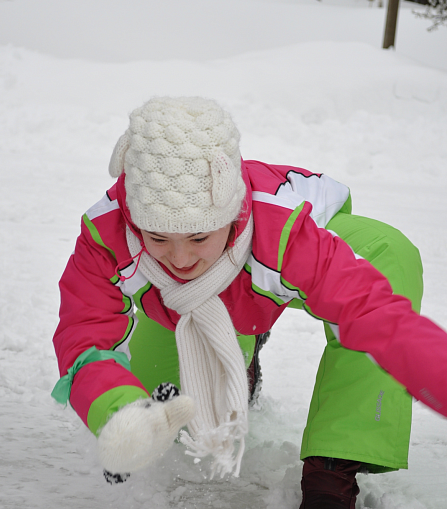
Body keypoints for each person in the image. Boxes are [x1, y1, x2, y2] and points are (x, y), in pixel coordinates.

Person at [51, 96, 447, 508]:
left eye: (199, 237)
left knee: (390, 255)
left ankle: (334, 464)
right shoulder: (106, 233)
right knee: (162, 413)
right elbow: (85, 335)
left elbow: (376, 316)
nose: (181, 259)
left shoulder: (284, 231)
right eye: (159, 238)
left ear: (232, 214)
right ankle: (240, 349)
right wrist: (118, 415)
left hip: (286, 261)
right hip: (179, 306)